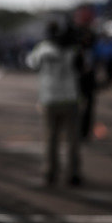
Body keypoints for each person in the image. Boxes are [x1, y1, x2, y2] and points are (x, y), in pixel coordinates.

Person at [28, 21, 82, 186]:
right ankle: (73, 174)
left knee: (51, 138)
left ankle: (50, 173)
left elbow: (31, 63)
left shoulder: (43, 48)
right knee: (72, 139)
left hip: (49, 99)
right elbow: (83, 68)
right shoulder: (74, 49)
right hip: (70, 98)